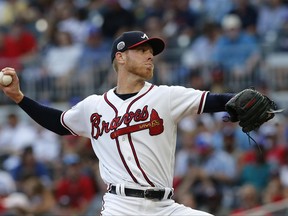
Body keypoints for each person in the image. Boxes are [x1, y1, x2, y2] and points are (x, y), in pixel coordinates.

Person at [0, 30, 271, 215]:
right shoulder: (94, 106)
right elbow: (58, 122)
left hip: (166, 206)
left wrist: (238, 100)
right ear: (120, 57)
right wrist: (20, 98)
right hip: (121, 206)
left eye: (150, 51)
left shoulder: (166, 96)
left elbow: (215, 99)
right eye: (141, 50)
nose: (149, 55)